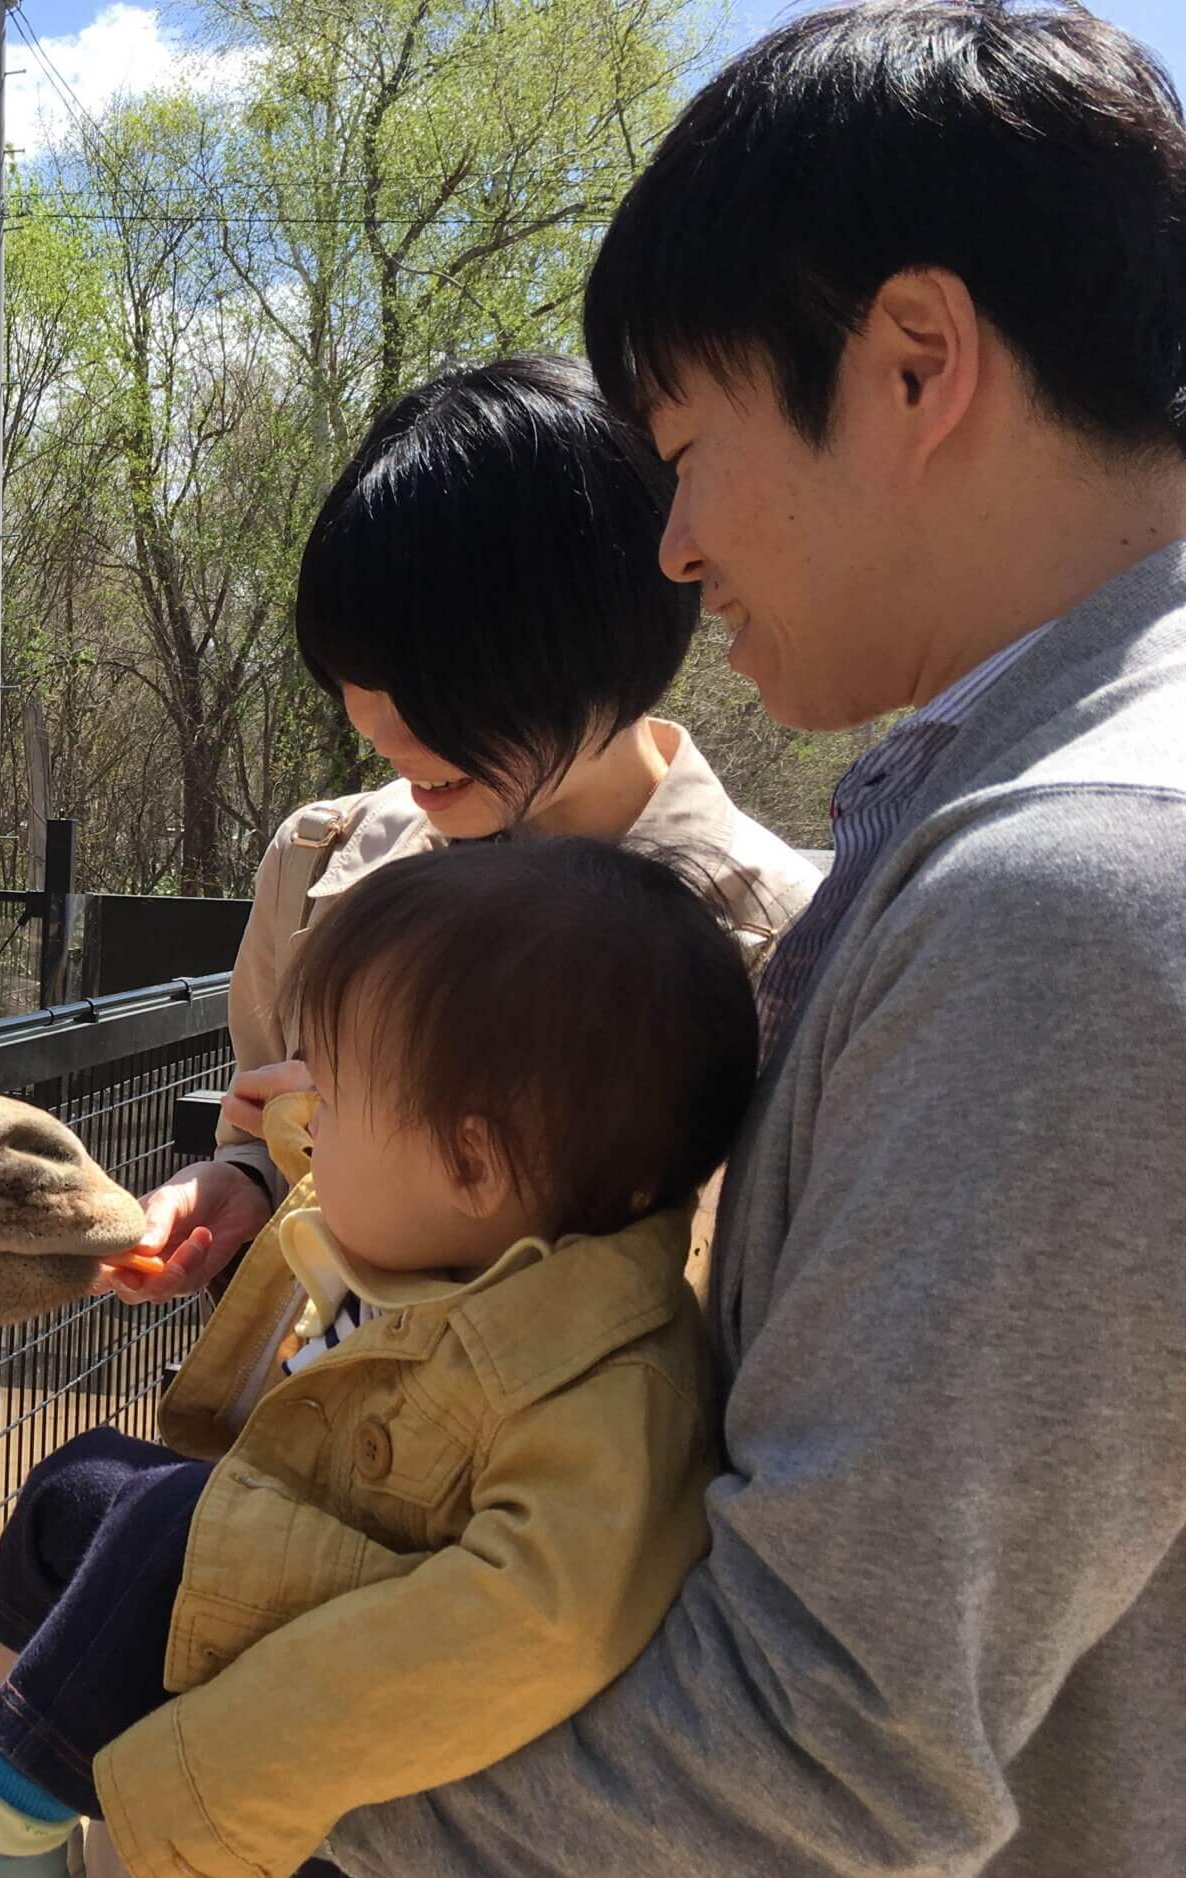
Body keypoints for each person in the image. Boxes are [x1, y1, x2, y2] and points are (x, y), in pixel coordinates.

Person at [261, 5, 1186, 1878]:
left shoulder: (1069, 890)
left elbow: (831, 1752)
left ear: (918, 363)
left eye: (689, 448)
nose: (670, 546)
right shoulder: (1011, 816)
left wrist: (196, 1777)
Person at [0, 837, 763, 1878]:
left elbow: (532, 1624)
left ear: (474, 1165)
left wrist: (217, 1771)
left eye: (331, 1103)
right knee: (84, 1490)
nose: (301, 1126)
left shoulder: (609, 1384)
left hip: (330, 1802)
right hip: (290, 1607)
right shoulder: (467, 1246)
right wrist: (251, 1183)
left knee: (161, 1531)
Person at [112, 356, 816, 1322]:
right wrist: (251, 1182)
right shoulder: (320, 861)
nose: (382, 732)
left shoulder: (783, 955)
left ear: (596, 640)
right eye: (356, 675)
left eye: (438, 683)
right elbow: (266, 1133)